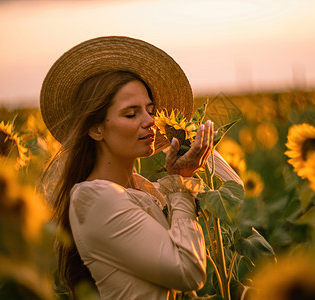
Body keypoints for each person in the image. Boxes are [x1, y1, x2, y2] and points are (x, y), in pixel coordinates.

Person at [40, 36, 214, 299]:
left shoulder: (142, 188)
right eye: (131, 114)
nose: (150, 121)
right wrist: (181, 184)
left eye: (150, 110)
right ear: (96, 128)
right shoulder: (95, 198)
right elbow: (188, 271)